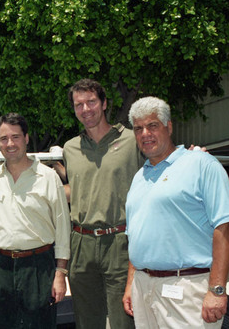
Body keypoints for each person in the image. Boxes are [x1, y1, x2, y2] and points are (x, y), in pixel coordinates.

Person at [122, 96, 229, 328]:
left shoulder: (202, 164)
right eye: (138, 128)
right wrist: (131, 284)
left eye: (152, 125)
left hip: (186, 289)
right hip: (143, 289)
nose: (145, 133)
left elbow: (225, 226)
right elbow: (135, 234)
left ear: (169, 126)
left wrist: (217, 289)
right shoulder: (139, 177)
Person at [60, 79, 143, 329]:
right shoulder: (70, 148)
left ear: (104, 103)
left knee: (123, 321)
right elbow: (77, 190)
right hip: (81, 244)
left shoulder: (132, 141)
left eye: (91, 102)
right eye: (79, 104)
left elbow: (162, 164)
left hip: (120, 242)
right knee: (86, 323)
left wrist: (194, 154)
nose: (86, 109)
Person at [0, 112, 70, 328]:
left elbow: (63, 228)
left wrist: (60, 273)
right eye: (4, 139)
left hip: (38, 266)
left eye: (16, 137)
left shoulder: (48, 177)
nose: (10, 144)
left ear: (26, 138)